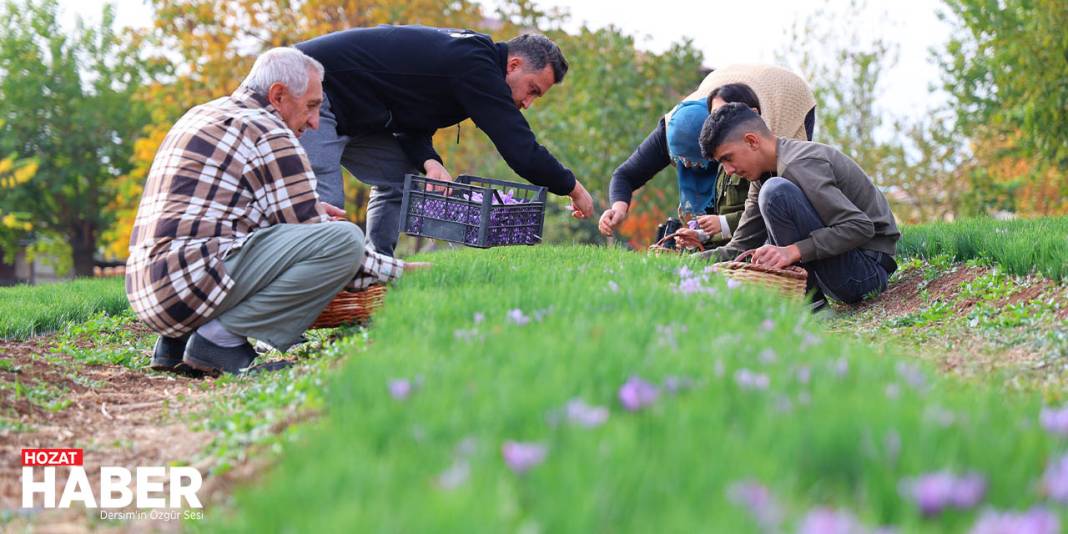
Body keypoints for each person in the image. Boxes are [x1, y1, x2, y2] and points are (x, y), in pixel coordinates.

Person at [125, 48, 422, 376]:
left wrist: (288, 218)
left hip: (149, 292)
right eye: (311, 106)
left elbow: (211, 217)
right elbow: (334, 250)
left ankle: (176, 344)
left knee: (275, 235)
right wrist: (410, 273)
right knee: (346, 240)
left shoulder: (202, 114)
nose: (313, 122)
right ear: (278, 95)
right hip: (187, 286)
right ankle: (218, 341)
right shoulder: (270, 130)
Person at [296, 25, 595, 256]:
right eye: (532, 90)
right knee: (324, 205)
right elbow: (520, 149)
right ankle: (304, 307)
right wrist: (572, 187)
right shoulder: (476, 65)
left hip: (353, 113)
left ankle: (376, 270)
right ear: (514, 65)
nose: (528, 103)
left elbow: (411, 115)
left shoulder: (470, 60)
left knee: (404, 179)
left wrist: (430, 162)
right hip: (310, 90)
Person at [696, 103, 901, 305]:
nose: (728, 170)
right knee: (772, 190)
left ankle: (813, 308)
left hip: (866, 273)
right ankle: (815, 307)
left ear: (752, 141)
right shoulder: (762, 176)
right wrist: (684, 264)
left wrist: (792, 251)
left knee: (775, 192)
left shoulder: (799, 164)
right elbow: (740, 246)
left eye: (728, 158)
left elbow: (860, 227)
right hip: (842, 273)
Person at [599, 64, 816, 245]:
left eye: (701, 163)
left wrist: (723, 224)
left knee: (777, 196)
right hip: (727, 86)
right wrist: (618, 209)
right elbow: (625, 175)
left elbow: (763, 208)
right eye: (682, 163)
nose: (690, 168)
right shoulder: (674, 130)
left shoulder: (751, 137)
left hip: (785, 94)